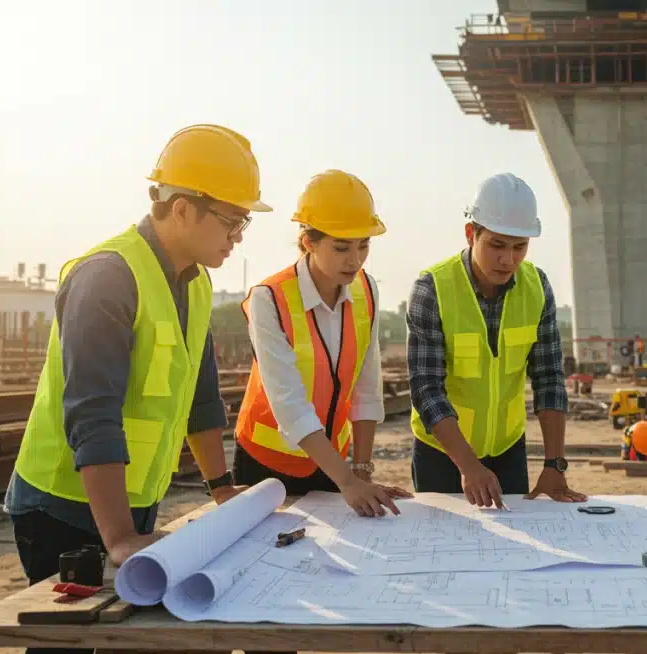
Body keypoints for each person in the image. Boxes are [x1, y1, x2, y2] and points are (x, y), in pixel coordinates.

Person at [3, 124, 269, 653]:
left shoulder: (194, 281)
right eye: (232, 219)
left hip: (133, 500)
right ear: (182, 208)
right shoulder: (108, 275)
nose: (238, 234)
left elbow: (201, 396)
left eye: (243, 222)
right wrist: (119, 537)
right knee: (67, 644)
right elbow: (92, 412)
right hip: (63, 505)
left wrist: (222, 491)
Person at [232, 169, 412, 517]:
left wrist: (360, 471)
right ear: (308, 242)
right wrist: (348, 480)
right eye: (342, 247)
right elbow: (290, 405)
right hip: (266, 467)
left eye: (364, 245)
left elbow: (367, 386)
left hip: (331, 464)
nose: (355, 259)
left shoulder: (367, 290)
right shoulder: (269, 299)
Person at [406, 173, 587, 508]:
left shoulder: (537, 287)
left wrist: (555, 464)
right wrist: (468, 465)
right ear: (471, 234)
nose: (508, 259)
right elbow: (426, 388)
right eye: (497, 245)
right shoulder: (432, 289)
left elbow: (549, 378)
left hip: (508, 452)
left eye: (520, 247)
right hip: (441, 454)